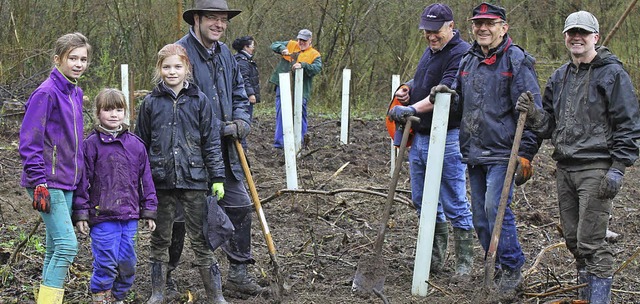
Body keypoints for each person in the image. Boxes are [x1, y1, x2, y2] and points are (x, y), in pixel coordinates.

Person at [516, 11, 640, 303]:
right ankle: (585, 296)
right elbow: (549, 126)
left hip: (597, 168)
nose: (577, 37)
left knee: (592, 243)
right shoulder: (559, 77)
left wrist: (618, 169)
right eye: (572, 32)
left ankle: (598, 299)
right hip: (565, 168)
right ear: (565, 37)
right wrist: (534, 114)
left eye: (583, 33)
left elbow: (629, 124)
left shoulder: (612, 75)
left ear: (595, 37)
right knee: (574, 240)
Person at [431, 2, 541, 293]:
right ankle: (496, 261)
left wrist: (525, 154)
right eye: (478, 24)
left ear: (503, 28)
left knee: (496, 208)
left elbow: (533, 112)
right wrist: (445, 97)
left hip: (504, 151)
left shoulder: (516, 61)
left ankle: (512, 267)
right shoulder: (467, 60)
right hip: (473, 150)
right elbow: (459, 104)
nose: (483, 28)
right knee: (479, 215)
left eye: (490, 24)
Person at [177, 0, 267, 298]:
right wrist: (215, 127)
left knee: (241, 205)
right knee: (178, 216)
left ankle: (238, 274)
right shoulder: (179, 54)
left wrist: (241, 121)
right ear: (197, 19)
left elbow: (240, 93)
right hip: (188, 153)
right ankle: (164, 276)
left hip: (227, 151)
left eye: (223, 19)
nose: (219, 24)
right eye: (212, 18)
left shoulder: (226, 54)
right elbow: (176, 103)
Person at [386, 3, 474, 279]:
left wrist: (411, 109)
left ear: (451, 26)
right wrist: (408, 89)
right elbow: (424, 80)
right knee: (421, 199)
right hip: (422, 135)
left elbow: (442, 94)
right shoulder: (431, 50)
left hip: (448, 135)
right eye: (427, 31)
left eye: (436, 31)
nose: (431, 36)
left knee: (453, 198)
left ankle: (464, 263)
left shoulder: (461, 53)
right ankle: (433, 255)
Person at [135, 43, 227, 304]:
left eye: (177, 66)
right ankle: (158, 292)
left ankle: (215, 295)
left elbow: (210, 142)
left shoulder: (200, 101)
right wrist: (140, 181)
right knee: (160, 237)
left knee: (201, 238)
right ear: (159, 70)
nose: (172, 71)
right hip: (160, 180)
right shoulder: (151, 103)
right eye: (166, 67)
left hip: (194, 179)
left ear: (187, 68)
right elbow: (140, 144)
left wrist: (217, 177)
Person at [18, 32, 91, 304]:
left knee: (53, 247)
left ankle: (46, 299)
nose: (78, 63)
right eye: (72, 58)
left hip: (68, 181)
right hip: (46, 181)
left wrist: (80, 182)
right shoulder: (46, 93)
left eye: (83, 59)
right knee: (67, 245)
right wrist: (38, 181)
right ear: (57, 59)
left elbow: (76, 144)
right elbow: (29, 141)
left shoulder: (76, 92)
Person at [73, 88, 158, 304]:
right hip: (102, 216)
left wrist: (149, 211)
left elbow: (146, 180)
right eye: (108, 110)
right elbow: (83, 182)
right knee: (106, 261)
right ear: (98, 112)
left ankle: (119, 297)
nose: (114, 115)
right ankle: (101, 297)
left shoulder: (136, 145)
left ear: (126, 112)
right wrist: (81, 214)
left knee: (128, 261)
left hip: (129, 215)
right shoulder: (90, 145)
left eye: (119, 110)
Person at [269, 28, 322, 149]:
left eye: (304, 40)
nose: (301, 42)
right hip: (283, 86)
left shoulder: (314, 54)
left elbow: (317, 68)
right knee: (281, 113)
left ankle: (301, 141)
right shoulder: (291, 45)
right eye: (299, 39)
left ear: (310, 40)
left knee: (300, 115)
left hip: (301, 90)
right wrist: (282, 49)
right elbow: (274, 44)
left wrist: (302, 65)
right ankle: (280, 143)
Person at [232, 35, 261, 121]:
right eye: (252, 45)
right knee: (245, 119)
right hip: (244, 97)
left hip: (243, 96)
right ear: (246, 47)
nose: (253, 48)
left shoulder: (244, 60)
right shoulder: (242, 61)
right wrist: (250, 94)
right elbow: (244, 79)